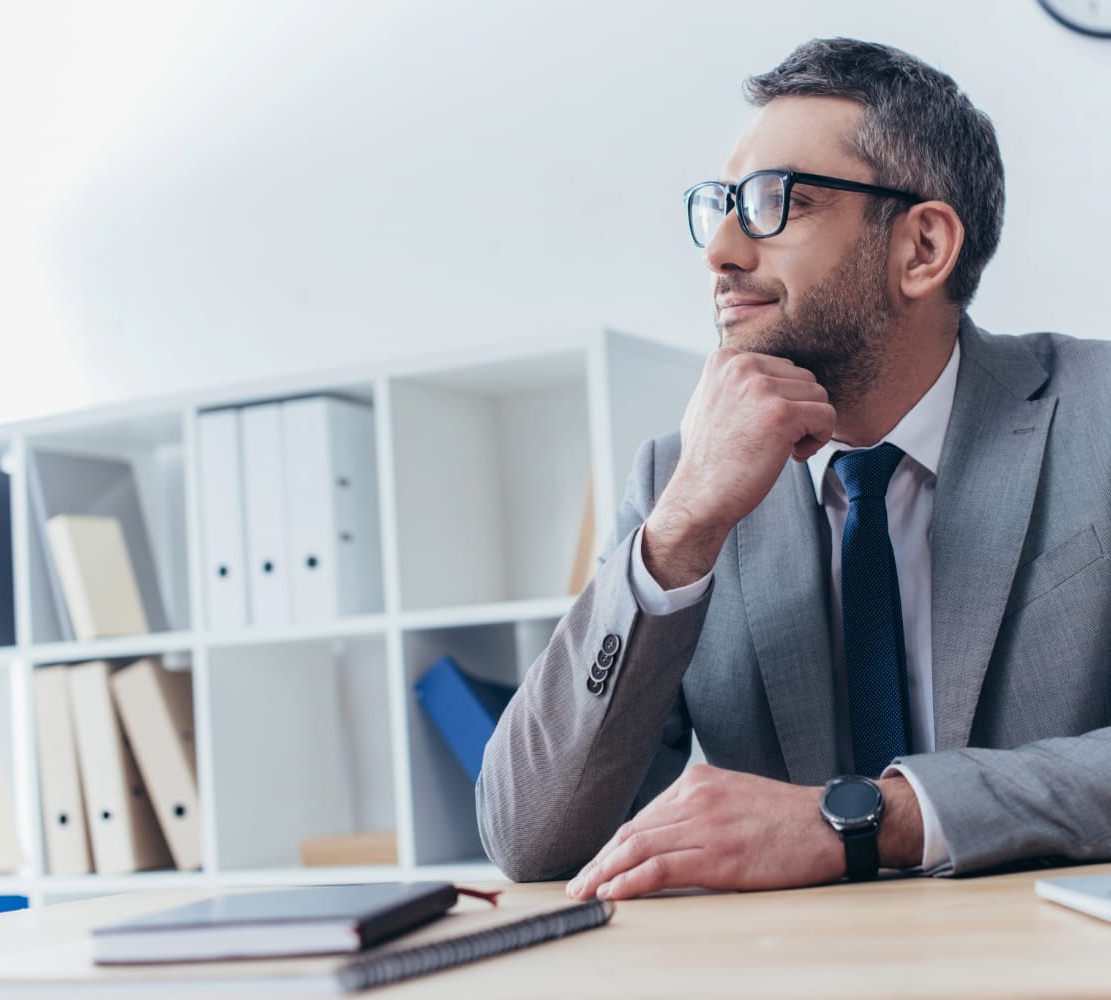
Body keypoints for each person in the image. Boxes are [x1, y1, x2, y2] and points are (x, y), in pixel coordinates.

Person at [475, 37, 1111, 900]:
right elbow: (529, 837)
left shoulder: (1096, 412)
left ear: (922, 248)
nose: (723, 251)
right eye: (722, 205)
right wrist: (678, 535)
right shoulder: (677, 478)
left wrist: (864, 820)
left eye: (776, 202)